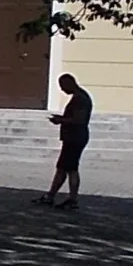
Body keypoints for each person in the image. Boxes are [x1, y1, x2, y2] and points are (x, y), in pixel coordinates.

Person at [43, 72, 93, 209]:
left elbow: (79, 120)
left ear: (69, 83)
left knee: (71, 169)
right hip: (73, 137)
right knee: (63, 168)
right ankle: (50, 196)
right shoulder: (79, 97)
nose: (62, 90)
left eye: (63, 86)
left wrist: (60, 120)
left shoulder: (80, 99)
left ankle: (72, 199)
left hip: (75, 137)